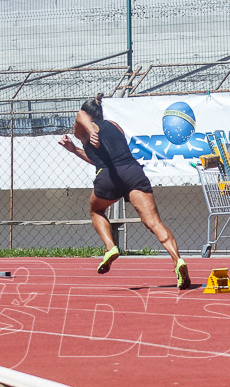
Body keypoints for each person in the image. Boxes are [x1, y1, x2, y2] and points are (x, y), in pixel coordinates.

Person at [58, 94, 191, 288]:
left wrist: (89, 130)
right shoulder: (115, 125)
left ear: (88, 116)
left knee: (96, 211)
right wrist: (75, 150)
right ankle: (177, 260)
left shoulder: (86, 129)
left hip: (109, 177)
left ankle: (111, 247)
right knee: (153, 222)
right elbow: (98, 158)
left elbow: (80, 115)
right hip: (133, 172)